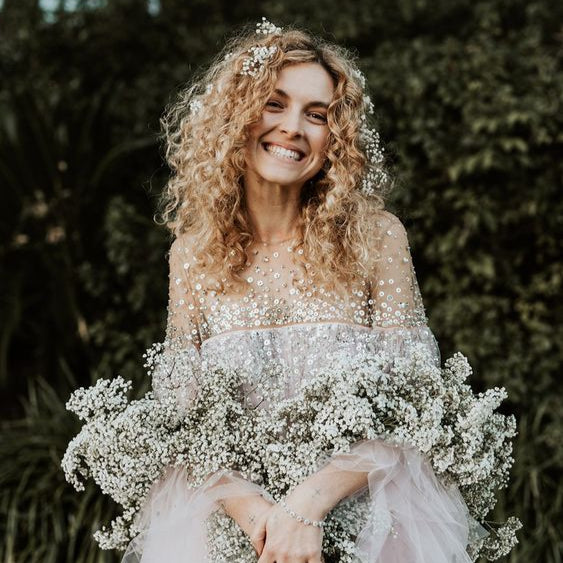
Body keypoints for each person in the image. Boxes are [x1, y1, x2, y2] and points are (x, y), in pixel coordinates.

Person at [122, 20, 480, 563]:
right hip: (232, 538)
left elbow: (420, 408)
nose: (293, 127)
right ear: (234, 117)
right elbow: (183, 422)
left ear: (334, 140)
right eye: (274, 104)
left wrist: (307, 506)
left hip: (373, 534)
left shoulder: (376, 239)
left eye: (317, 115)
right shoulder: (190, 256)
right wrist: (262, 520)